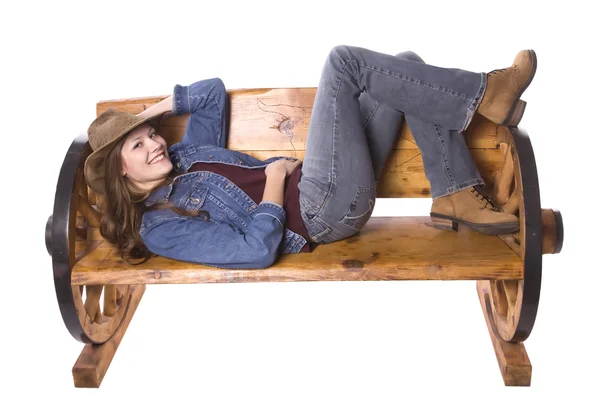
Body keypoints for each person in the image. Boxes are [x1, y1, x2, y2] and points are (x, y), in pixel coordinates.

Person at [83, 45, 536, 268]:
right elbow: (254, 250)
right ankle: (485, 93)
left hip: (322, 185)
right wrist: (277, 179)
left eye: (149, 135)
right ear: (119, 170)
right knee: (343, 62)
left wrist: (144, 114)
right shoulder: (159, 227)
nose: (155, 144)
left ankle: (454, 191)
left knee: (404, 62)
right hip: (315, 210)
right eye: (137, 146)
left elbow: (210, 93)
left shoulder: (183, 155)